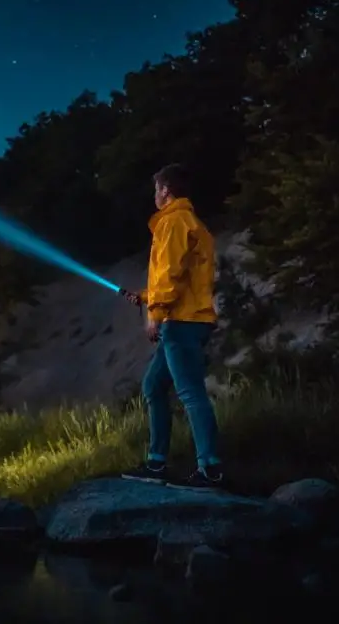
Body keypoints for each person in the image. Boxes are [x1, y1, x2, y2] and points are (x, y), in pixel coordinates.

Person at [121, 163, 224, 487]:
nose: (155, 195)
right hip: (186, 318)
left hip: (181, 322)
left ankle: (211, 469)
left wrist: (155, 313)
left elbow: (170, 274)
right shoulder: (192, 224)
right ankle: (156, 464)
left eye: (156, 189)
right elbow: (181, 277)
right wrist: (146, 297)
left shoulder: (174, 221)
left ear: (165, 190)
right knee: (153, 386)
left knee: (191, 393)